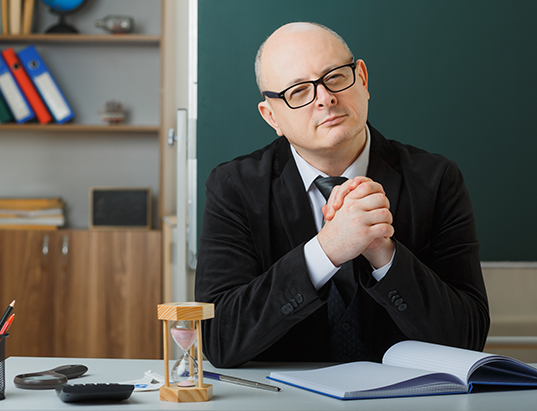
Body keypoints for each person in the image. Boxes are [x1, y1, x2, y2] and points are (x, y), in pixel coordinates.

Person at [195, 22, 489, 368]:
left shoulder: (436, 179)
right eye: (299, 91)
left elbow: (467, 337)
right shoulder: (235, 187)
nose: (325, 98)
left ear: (362, 79)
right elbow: (218, 341)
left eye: (335, 76)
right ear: (271, 115)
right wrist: (326, 250)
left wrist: (384, 252)